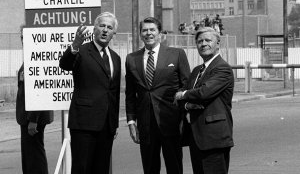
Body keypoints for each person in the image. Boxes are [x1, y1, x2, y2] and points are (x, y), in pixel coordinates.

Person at [125, 17, 190, 174]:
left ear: (160, 33)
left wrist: (183, 116)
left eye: (152, 30)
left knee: (174, 167)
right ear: (140, 34)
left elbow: (186, 86)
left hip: (171, 122)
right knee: (150, 168)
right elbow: (130, 94)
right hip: (146, 124)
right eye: (145, 30)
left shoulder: (177, 54)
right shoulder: (131, 59)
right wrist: (131, 122)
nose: (148, 33)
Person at [59, 12, 121, 174]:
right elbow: (65, 65)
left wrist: (113, 123)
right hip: (84, 124)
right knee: (82, 168)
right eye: (102, 26)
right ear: (94, 29)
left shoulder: (115, 58)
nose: (105, 30)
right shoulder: (81, 50)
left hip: (106, 126)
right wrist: (74, 46)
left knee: (101, 169)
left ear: (114, 33)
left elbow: (113, 93)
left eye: (109, 27)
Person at [174, 27, 234, 174]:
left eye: (208, 40)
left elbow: (204, 92)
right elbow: (182, 98)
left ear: (218, 43)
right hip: (197, 137)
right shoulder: (196, 71)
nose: (203, 44)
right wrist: (187, 101)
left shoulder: (222, 68)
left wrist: (184, 95)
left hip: (214, 138)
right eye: (199, 41)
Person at [16, 29, 54, 174]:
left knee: (35, 157)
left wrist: (33, 119)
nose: (22, 39)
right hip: (26, 117)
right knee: (29, 156)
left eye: (25, 36)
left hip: (33, 118)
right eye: (21, 36)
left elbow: (39, 91)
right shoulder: (29, 56)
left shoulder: (37, 58)